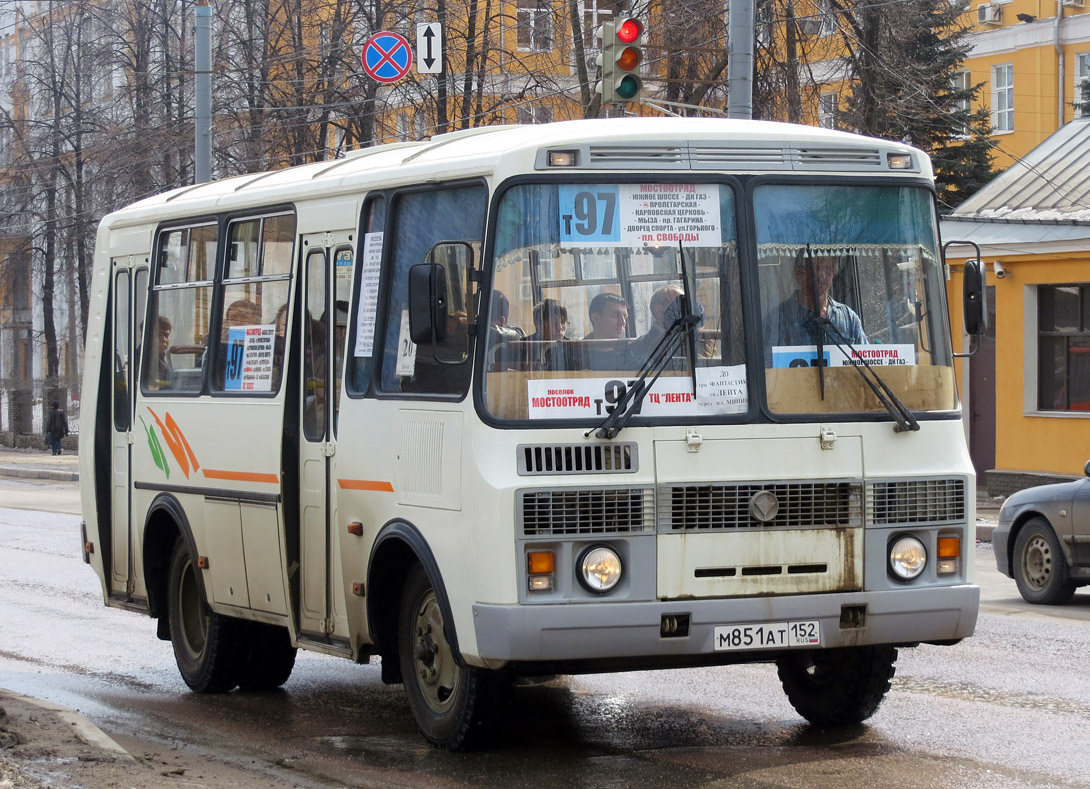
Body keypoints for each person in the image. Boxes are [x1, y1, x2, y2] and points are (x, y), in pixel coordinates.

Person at [764, 250, 865, 351]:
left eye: (828, 268)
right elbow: (767, 364)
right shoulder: (777, 320)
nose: (822, 275)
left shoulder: (849, 318)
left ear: (834, 273)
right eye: (815, 268)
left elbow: (867, 362)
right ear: (799, 273)